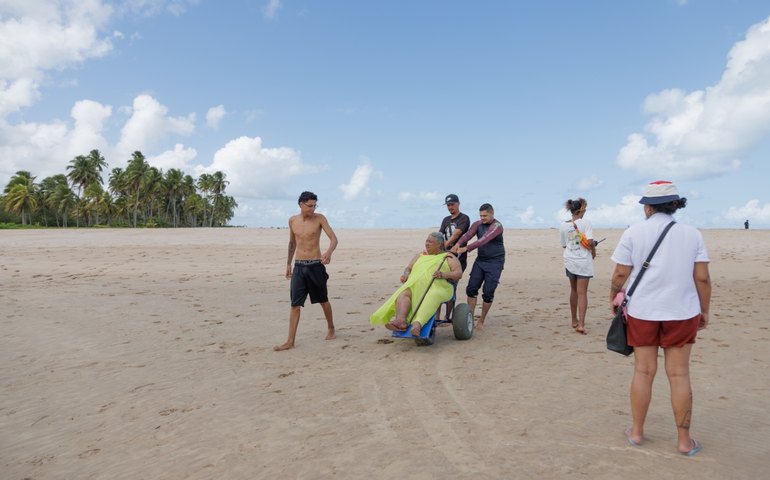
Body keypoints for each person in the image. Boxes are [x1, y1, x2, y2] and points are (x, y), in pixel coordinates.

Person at [609, 180, 711, 456]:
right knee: (679, 374)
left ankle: (637, 432)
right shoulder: (692, 234)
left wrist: (613, 297)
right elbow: (701, 277)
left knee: (644, 371)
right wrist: (704, 310)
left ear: (648, 207)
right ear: (675, 205)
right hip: (682, 312)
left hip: (643, 311)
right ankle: (683, 442)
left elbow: (620, 274)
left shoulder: (633, 232)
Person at [274, 191, 338, 351]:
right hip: (299, 267)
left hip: (316, 265)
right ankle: (290, 341)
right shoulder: (292, 221)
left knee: (323, 300)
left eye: (315, 205)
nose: (313, 208)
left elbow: (334, 238)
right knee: (295, 304)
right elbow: (292, 243)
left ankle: (331, 328)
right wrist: (288, 263)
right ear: (301, 204)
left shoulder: (320, 219)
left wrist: (328, 253)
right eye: (310, 206)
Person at [370, 232, 463, 336]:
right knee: (403, 293)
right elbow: (408, 268)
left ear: (440, 244)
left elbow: (458, 273)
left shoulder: (448, 257)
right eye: (426, 241)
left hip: (440, 287)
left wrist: (444, 274)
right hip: (416, 286)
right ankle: (401, 321)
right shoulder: (420, 255)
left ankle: (418, 324)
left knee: (432, 295)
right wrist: (405, 274)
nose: (427, 244)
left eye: (430, 242)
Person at [451, 203, 505, 330]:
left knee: (488, 292)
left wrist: (466, 248)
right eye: (481, 216)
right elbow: (467, 235)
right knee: (471, 289)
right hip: (481, 260)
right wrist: (458, 244)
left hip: (495, 262)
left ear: (492, 213)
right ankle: (469, 318)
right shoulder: (477, 224)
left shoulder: (497, 226)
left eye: (485, 216)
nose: (483, 218)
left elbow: (484, 240)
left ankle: (481, 320)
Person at [559, 198, 596, 334]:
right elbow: (590, 242)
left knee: (573, 290)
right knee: (582, 293)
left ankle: (574, 320)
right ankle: (581, 324)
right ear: (581, 210)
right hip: (582, 261)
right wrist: (593, 251)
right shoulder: (586, 223)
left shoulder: (563, 225)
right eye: (584, 209)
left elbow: (564, 244)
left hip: (569, 259)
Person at [438, 194, 471, 321]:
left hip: (458, 259)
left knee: (451, 287)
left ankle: (448, 317)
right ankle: (436, 316)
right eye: (448, 205)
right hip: (444, 257)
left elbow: (457, 233)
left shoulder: (464, 218)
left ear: (458, 204)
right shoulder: (446, 219)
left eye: (452, 204)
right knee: (438, 286)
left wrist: (446, 244)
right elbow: (440, 234)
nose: (450, 207)